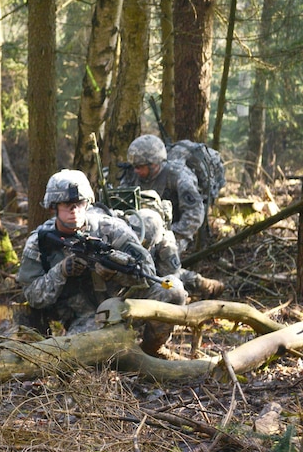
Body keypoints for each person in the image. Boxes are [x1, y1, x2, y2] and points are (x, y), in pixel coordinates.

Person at [18, 170, 187, 356]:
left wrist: (116, 273)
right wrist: (60, 272)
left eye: (80, 204)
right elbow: (32, 296)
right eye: (67, 205)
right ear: (53, 207)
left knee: (173, 289)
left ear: (87, 203)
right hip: (87, 319)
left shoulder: (111, 229)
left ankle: (152, 350)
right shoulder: (39, 242)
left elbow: (147, 271)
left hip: (126, 304)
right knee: (71, 355)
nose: (74, 210)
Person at [120, 134, 224, 298]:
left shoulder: (178, 176)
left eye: (140, 167)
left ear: (154, 164)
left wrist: (173, 235)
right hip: (142, 230)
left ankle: (194, 288)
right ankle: (200, 283)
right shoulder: (133, 175)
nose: (136, 170)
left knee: (158, 265)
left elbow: (195, 214)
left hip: (175, 231)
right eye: (135, 166)